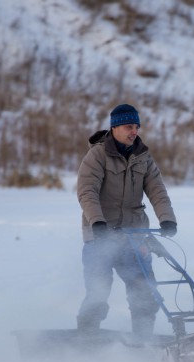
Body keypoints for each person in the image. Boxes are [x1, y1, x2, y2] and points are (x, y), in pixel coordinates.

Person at [76, 103, 177, 341]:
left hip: (134, 237)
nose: (135, 131)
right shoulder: (97, 155)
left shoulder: (142, 156)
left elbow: (157, 191)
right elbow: (86, 191)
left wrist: (167, 219)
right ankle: (86, 339)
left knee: (145, 292)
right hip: (100, 237)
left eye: (137, 127)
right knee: (98, 294)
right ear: (115, 128)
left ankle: (143, 341)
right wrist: (97, 222)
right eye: (129, 126)